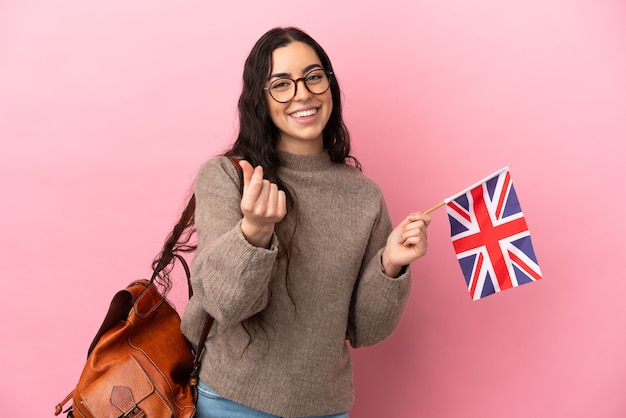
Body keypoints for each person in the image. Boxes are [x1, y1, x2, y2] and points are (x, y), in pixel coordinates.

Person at [180, 26, 431, 418]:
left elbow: (365, 330)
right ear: (259, 99)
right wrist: (254, 233)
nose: (302, 93)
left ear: (329, 83)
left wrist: (390, 266)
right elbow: (222, 305)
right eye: (281, 83)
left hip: (325, 409)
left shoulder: (364, 196)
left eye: (313, 77)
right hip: (230, 402)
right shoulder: (227, 176)